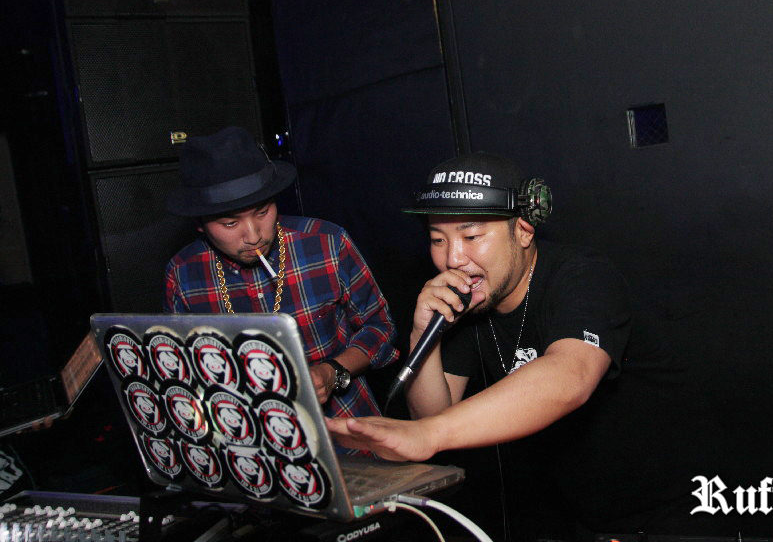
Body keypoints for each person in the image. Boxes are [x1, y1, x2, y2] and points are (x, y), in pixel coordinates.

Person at [327, 152, 717, 538]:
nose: (453, 258)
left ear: (524, 232)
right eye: (437, 239)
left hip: (681, 508)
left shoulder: (583, 277)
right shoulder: (474, 301)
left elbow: (571, 376)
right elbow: (433, 414)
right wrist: (423, 333)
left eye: (471, 236)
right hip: (589, 514)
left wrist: (429, 434)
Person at [164, 126, 398, 430]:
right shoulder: (183, 273)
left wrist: (333, 372)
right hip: (248, 438)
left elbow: (380, 326)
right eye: (230, 223)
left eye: (262, 212)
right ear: (200, 224)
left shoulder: (327, 243)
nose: (253, 236)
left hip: (346, 428)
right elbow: (181, 370)